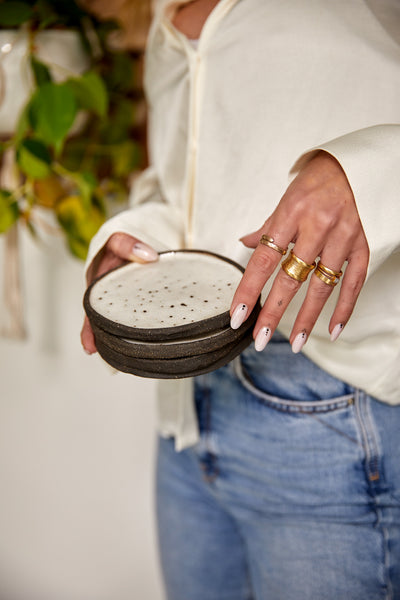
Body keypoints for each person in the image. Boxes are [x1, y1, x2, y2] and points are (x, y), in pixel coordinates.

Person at [81, 1, 400, 598]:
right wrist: (128, 252)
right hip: (187, 413)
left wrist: (372, 172)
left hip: (333, 412)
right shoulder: (161, 8)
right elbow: (180, 186)